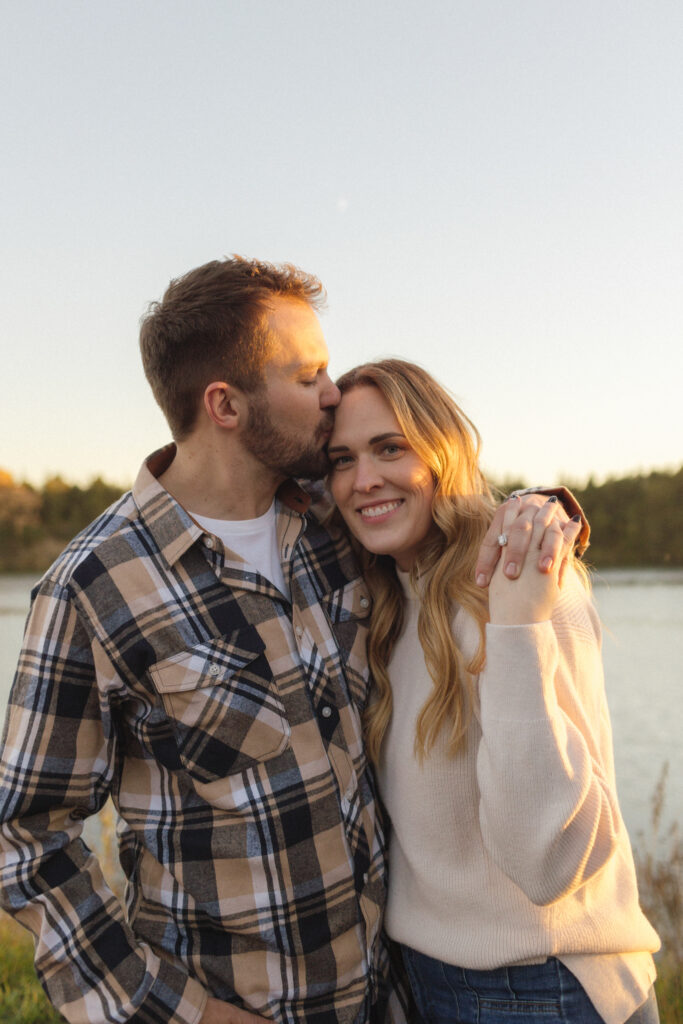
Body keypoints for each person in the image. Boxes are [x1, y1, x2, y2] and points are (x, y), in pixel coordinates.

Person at [0, 257, 579, 1024]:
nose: (331, 394)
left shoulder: (330, 523)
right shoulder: (93, 587)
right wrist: (185, 1015)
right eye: (308, 376)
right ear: (225, 404)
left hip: (389, 999)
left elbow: (441, 508)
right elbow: (24, 839)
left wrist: (545, 511)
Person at [325, 358, 660, 1024]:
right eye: (340, 460)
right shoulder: (390, 598)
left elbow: (545, 864)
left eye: (390, 448)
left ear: (440, 450)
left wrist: (516, 626)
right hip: (425, 982)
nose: (363, 481)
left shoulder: (526, 582)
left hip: (544, 990)